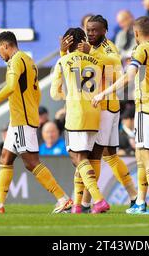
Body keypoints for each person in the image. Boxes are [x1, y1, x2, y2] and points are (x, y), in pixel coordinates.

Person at [0, 31, 72, 214]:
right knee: (5, 158)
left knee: (31, 162)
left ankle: (63, 198)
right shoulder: (28, 60)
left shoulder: (16, 61)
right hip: (20, 118)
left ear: (6, 46)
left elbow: (11, 87)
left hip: (22, 119)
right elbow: (35, 92)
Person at [93, 16, 149, 215]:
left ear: (136, 34)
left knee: (148, 155)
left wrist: (104, 92)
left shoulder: (140, 49)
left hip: (147, 107)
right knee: (140, 156)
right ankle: (140, 201)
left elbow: (128, 77)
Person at [60, 15, 137, 212]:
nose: (90, 33)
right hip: (101, 106)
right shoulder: (88, 47)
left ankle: (85, 202)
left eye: (95, 30)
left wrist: (91, 57)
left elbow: (116, 71)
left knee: (89, 155)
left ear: (104, 31)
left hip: (104, 107)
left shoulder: (108, 47)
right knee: (109, 155)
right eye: (88, 30)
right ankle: (134, 196)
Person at [51, 27, 110, 214]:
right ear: (82, 41)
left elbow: (55, 94)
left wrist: (66, 95)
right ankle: (77, 205)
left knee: (79, 158)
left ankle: (98, 200)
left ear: (66, 42)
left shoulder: (63, 61)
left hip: (76, 114)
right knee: (83, 160)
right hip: (94, 112)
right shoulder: (96, 61)